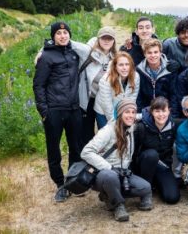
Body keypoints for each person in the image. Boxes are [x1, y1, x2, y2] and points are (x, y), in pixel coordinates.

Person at [33, 21, 82, 202]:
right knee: (54, 150)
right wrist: (44, 111)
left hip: (74, 109)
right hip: (54, 110)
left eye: (65, 32)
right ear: (53, 36)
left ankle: (72, 181)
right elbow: (39, 85)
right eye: (59, 33)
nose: (63, 36)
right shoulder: (46, 56)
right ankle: (60, 184)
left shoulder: (75, 53)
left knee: (76, 148)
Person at [81, 99, 152, 222]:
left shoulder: (131, 129)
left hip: (121, 172)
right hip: (103, 174)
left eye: (133, 112)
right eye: (127, 112)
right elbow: (86, 152)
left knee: (145, 188)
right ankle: (118, 206)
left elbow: (145, 115)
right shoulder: (108, 131)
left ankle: (109, 194)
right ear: (119, 114)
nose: (130, 115)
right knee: (110, 176)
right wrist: (109, 167)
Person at [71, 26, 117, 147]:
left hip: (104, 100)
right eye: (103, 38)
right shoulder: (88, 51)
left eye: (110, 38)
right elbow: (67, 41)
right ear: (98, 39)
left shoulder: (116, 57)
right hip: (87, 100)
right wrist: (43, 49)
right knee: (86, 133)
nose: (106, 41)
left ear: (114, 41)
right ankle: (86, 160)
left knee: (105, 132)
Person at [134, 97, 181, 204]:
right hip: (143, 166)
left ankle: (157, 183)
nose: (161, 115)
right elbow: (133, 152)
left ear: (169, 111)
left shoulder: (173, 125)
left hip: (163, 166)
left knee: (172, 198)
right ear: (152, 112)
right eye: (157, 111)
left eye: (164, 111)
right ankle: (146, 191)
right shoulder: (141, 127)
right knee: (152, 155)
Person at [94, 51, 140, 129]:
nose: (124, 68)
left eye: (127, 64)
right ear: (115, 66)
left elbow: (133, 97)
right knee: (108, 135)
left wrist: (128, 114)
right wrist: (115, 123)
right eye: (121, 65)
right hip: (104, 111)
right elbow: (106, 105)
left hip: (122, 109)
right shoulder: (106, 80)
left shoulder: (136, 77)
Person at [136, 38, 176, 112]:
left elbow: (174, 95)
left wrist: (172, 113)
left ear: (160, 53)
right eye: (149, 53)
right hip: (147, 110)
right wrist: (140, 113)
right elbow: (139, 96)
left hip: (165, 110)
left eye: (155, 52)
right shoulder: (139, 70)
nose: (153, 55)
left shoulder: (170, 69)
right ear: (144, 54)